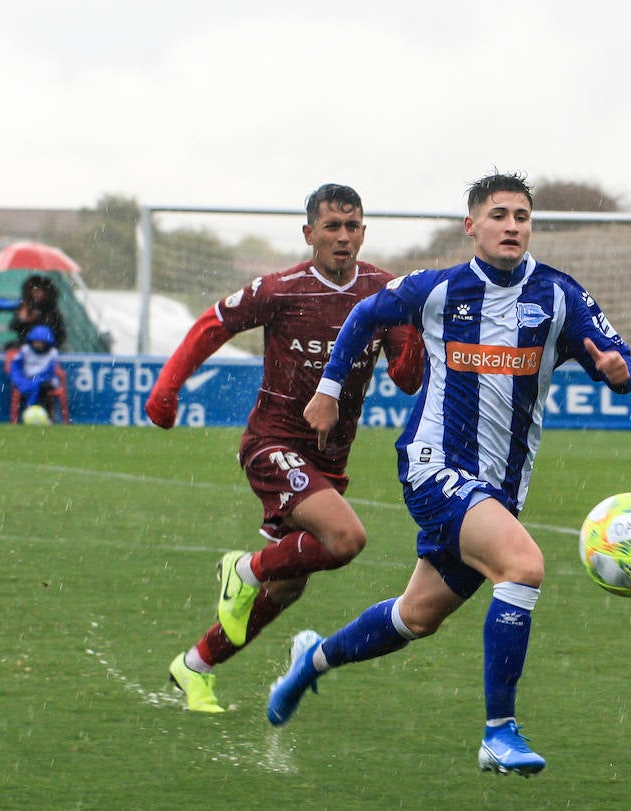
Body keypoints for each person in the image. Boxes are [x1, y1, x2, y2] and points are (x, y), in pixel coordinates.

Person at [279, 172, 631, 776]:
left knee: (416, 617)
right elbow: (365, 314)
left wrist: (614, 368)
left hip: (501, 487)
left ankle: (312, 660)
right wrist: (330, 389)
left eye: (522, 216)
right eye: (499, 215)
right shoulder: (438, 289)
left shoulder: (560, 295)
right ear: (471, 225)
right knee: (522, 566)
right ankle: (499, 733)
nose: (513, 226)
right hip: (434, 465)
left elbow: (618, 361)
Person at [146, 183, 423, 713]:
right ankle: (243, 568)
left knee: (288, 589)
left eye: (353, 227)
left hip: (329, 461)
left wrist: (414, 338)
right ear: (309, 234)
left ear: (364, 232)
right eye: (332, 227)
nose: (344, 238)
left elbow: (406, 378)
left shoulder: (386, 293)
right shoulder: (283, 288)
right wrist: (167, 387)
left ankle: (195, 666)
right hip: (272, 444)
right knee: (345, 539)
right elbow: (214, 323)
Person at [7, 324, 64, 421]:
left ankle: (47, 416)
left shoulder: (52, 353)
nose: (38, 345)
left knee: (44, 389)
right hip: (27, 379)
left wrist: (37, 380)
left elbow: (50, 371)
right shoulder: (25, 350)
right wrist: (23, 382)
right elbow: (15, 368)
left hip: (46, 381)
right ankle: (28, 414)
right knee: (29, 389)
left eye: (41, 342)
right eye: (36, 342)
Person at [6, 274, 67, 351]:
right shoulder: (25, 306)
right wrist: (22, 320)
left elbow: (58, 332)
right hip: (25, 346)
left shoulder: (51, 310)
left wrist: (36, 319)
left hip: (47, 347)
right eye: (34, 290)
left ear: (46, 292)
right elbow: (14, 327)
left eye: (39, 291)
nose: (36, 293)